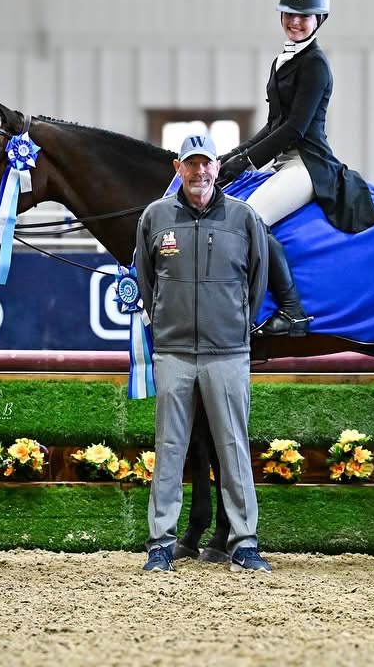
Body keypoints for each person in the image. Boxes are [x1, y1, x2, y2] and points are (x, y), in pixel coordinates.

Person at [136, 134, 270, 574]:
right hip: (174, 352)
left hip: (227, 352)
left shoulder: (243, 217)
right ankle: (161, 544)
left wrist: (232, 324)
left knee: (233, 447)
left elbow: (256, 282)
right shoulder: (155, 218)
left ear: (216, 168)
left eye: (206, 164)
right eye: (191, 164)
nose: (199, 172)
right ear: (178, 168)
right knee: (170, 448)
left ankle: (244, 543)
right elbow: (147, 282)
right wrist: (168, 322)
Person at [217, 0, 374, 337]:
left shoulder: (315, 64)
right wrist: (231, 157)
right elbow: (273, 124)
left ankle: (292, 311)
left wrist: (247, 162)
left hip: (307, 163)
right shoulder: (282, 60)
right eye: (289, 14)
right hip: (283, 160)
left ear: (319, 19)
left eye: (303, 16)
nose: (294, 22)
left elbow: (294, 128)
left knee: (250, 218)